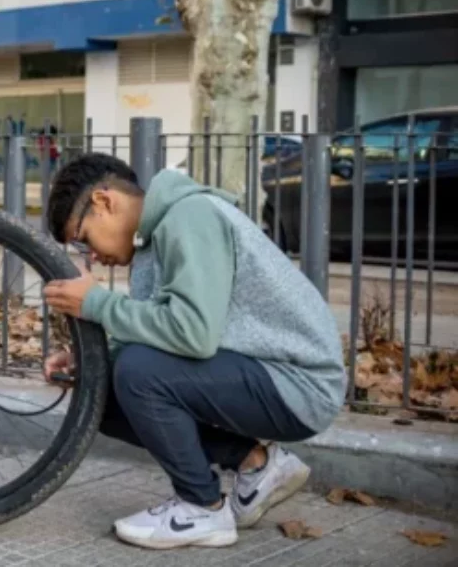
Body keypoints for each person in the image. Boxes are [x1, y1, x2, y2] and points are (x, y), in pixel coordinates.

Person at [41, 153, 344, 550]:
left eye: (83, 239)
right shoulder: (152, 242)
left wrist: (96, 303)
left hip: (300, 384)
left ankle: (202, 507)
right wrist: (90, 358)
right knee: (101, 388)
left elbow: (193, 334)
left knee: (136, 372)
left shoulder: (190, 216)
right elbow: (159, 334)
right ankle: (255, 463)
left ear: (104, 202)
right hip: (260, 375)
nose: (91, 256)